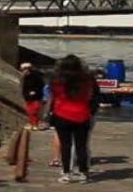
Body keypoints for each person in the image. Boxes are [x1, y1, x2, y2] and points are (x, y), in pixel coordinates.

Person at [48, 55, 100, 183]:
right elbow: (93, 94)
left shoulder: (57, 80)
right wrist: (91, 110)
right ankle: (83, 173)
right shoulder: (87, 79)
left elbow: (53, 95)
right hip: (82, 115)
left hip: (62, 114)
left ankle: (66, 173)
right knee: (81, 145)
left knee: (65, 145)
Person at [20, 62, 46, 130]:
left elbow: (41, 86)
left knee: (34, 111)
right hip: (28, 97)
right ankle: (32, 124)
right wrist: (25, 94)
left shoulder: (36, 76)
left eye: (24, 70)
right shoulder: (25, 77)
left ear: (28, 69)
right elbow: (24, 87)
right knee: (29, 111)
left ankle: (35, 124)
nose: (23, 71)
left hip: (36, 97)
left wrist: (35, 91)